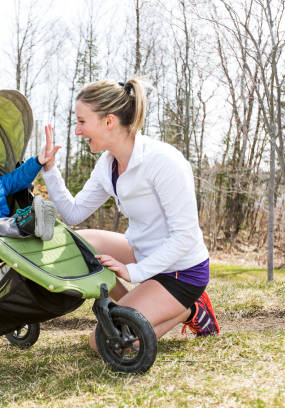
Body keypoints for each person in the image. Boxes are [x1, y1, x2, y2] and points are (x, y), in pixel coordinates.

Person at [39, 78, 219, 352]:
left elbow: (185, 236)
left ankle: (190, 309)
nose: (77, 131)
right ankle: (135, 307)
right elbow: (73, 214)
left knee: (106, 344)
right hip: (144, 253)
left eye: (82, 122)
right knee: (79, 244)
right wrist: (50, 170)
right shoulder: (107, 165)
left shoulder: (163, 161)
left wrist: (134, 272)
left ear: (109, 121)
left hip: (181, 272)